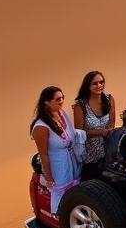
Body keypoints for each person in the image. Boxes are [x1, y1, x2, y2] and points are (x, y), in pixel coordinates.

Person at [31, 86, 86, 215]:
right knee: (63, 198)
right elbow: (43, 153)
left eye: (62, 98)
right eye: (57, 99)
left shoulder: (61, 113)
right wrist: (49, 178)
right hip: (58, 167)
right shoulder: (41, 127)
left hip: (72, 161)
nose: (61, 101)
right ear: (46, 102)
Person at [72, 70, 117, 172]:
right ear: (88, 86)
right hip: (89, 157)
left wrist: (106, 131)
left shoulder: (109, 99)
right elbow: (80, 133)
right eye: (95, 83)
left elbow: (111, 125)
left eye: (101, 82)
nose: (99, 85)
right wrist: (103, 132)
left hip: (108, 153)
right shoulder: (81, 105)